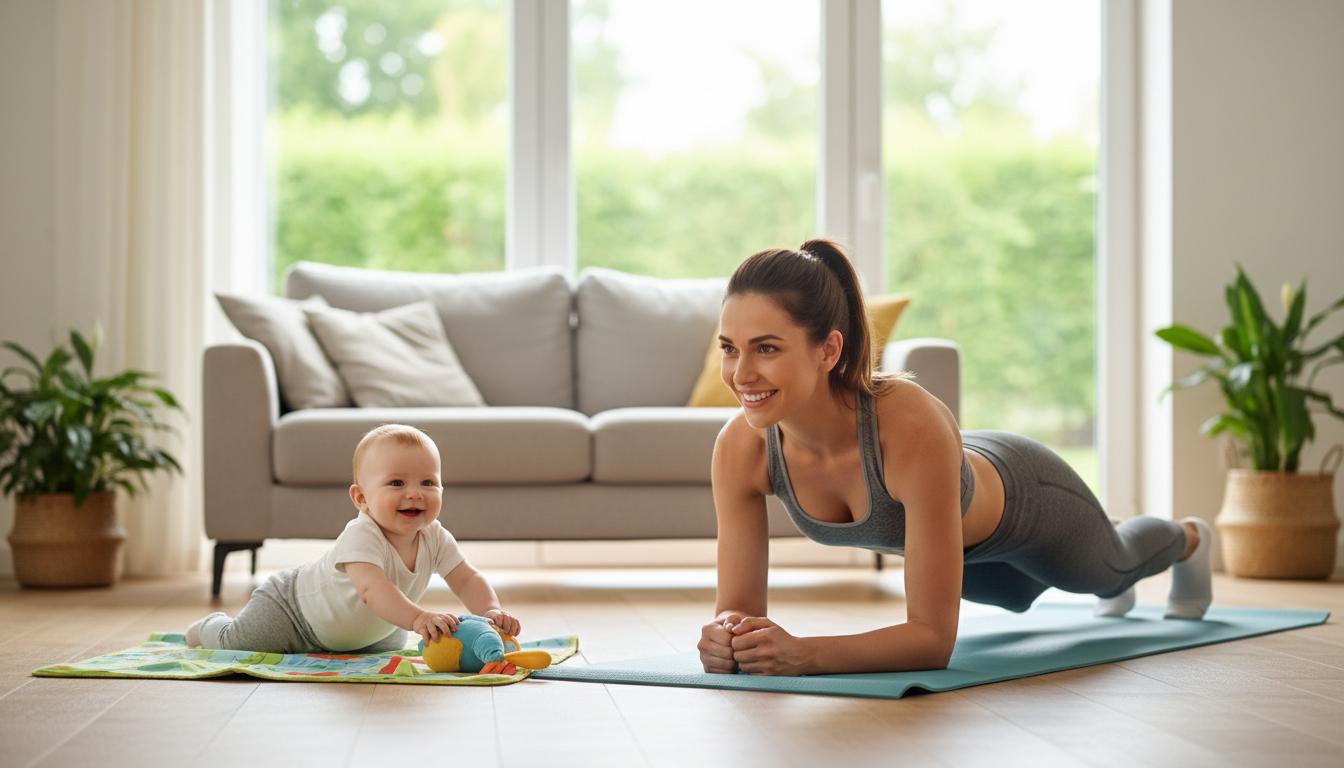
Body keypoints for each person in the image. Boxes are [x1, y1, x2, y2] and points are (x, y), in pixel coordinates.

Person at [698, 239, 1214, 676]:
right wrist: (727, 637)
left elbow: (931, 641)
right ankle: (1103, 532)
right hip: (971, 552)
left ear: (828, 351)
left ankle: (1188, 538)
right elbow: (736, 612)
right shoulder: (740, 448)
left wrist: (805, 654)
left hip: (1028, 504)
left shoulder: (906, 422)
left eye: (766, 348)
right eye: (729, 348)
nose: (740, 374)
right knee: (1014, 595)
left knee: (1108, 570)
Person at [187, 424, 521, 652]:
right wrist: (419, 618)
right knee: (241, 645)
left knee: (392, 641)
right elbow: (372, 590)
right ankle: (212, 628)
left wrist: (490, 610)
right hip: (293, 612)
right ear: (361, 498)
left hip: (366, 632)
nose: (415, 494)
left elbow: (466, 579)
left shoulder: (435, 537)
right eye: (397, 483)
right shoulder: (362, 534)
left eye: (428, 483)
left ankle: (364, 638)